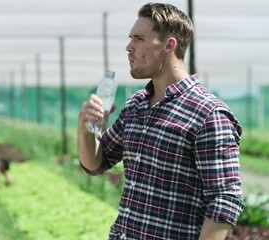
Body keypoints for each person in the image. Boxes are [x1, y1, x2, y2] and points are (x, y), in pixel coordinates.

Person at [78, 3, 243, 240]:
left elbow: (225, 199)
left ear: (169, 45)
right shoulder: (136, 105)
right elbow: (97, 163)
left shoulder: (208, 114)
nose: (128, 47)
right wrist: (85, 129)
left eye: (138, 38)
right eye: (130, 38)